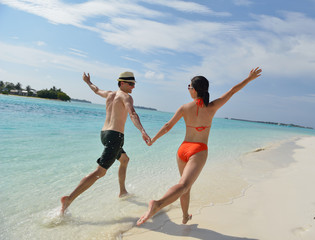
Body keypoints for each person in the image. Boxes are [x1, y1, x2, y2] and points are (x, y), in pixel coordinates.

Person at [137, 67, 262, 226]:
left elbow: (168, 126)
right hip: (198, 150)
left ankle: (184, 216)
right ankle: (158, 204)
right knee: (184, 185)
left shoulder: (184, 108)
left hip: (182, 150)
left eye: (189, 86)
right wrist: (249, 79)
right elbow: (232, 91)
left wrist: (153, 139)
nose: (188, 89)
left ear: (195, 90)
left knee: (184, 186)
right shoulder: (212, 107)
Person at [60, 71, 151, 215]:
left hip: (104, 134)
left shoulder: (109, 94)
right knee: (100, 172)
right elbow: (132, 113)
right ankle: (69, 199)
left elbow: (96, 90)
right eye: (131, 84)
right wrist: (142, 131)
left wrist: (88, 82)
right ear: (122, 83)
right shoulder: (126, 96)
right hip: (115, 136)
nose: (133, 87)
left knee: (124, 159)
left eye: (134, 84)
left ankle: (122, 191)